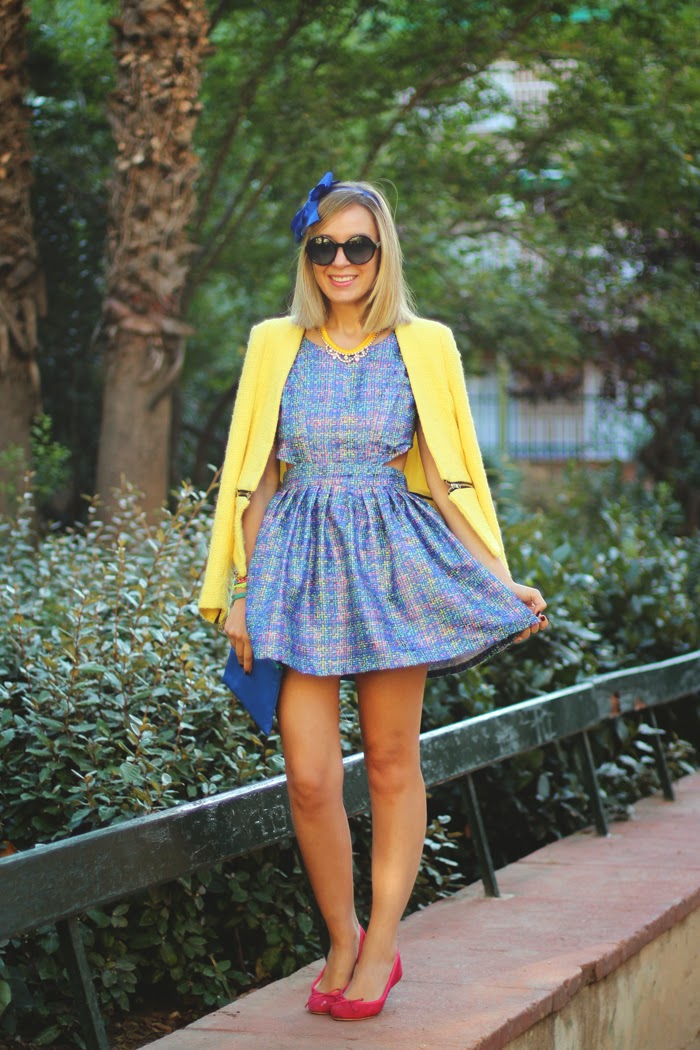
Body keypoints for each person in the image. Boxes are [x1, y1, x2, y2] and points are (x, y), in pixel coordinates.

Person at [199, 172, 549, 1022]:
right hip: (295, 569)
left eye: (358, 243)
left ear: (382, 249)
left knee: (392, 763)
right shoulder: (273, 343)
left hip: (392, 565)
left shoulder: (425, 344)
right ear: (308, 254)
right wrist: (242, 592)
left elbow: (451, 473)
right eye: (324, 245)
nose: (341, 260)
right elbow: (256, 476)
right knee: (310, 778)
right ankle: (342, 935)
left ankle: (383, 945)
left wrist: (496, 576)